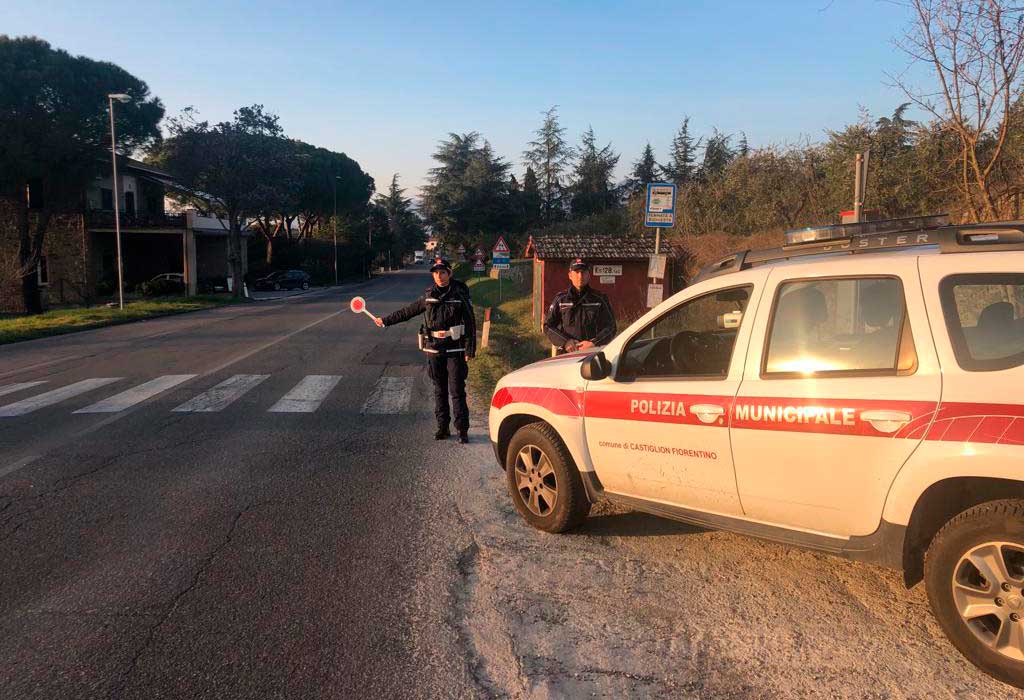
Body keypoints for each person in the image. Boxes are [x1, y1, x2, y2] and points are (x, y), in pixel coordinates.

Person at [375, 257, 476, 443]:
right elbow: (408, 311)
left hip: (455, 349)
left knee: (457, 390)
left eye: (443, 272)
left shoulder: (459, 293)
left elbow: (470, 321)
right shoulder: (429, 295)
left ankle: (462, 430)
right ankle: (443, 428)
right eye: (436, 273)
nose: (439, 276)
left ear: (449, 273)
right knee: (439, 390)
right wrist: (385, 320)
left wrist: (469, 349)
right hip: (434, 349)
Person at [544, 258, 616, 353]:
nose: (580, 276)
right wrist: (566, 342)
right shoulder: (560, 299)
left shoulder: (599, 299)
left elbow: (611, 327)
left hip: (593, 353)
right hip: (567, 353)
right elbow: (548, 326)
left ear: (589, 275)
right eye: (576, 272)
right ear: (570, 275)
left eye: (583, 272)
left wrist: (594, 343)